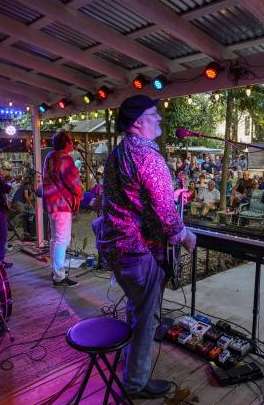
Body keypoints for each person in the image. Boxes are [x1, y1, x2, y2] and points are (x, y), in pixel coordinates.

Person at [93, 95, 196, 399]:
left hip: (114, 245)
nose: (160, 120)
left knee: (136, 307)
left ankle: (130, 366)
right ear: (138, 121)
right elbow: (168, 219)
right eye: (154, 115)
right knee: (148, 316)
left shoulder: (119, 152)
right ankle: (136, 383)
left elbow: (133, 197)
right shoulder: (149, 156)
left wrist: (169, 192)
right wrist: (186, 237)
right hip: (134, 249)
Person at [42, 131, 83, 287]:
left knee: (54, 239)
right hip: (62, 204)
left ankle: (55, 271)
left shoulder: (50, 157)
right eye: (71, 141)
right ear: (66, 143)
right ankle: (59, 276)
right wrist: (80, 195)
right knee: (62, 241)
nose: (72, 144)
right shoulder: (65, 158)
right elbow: (74, 184)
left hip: (51, 204)